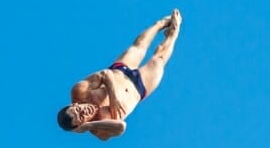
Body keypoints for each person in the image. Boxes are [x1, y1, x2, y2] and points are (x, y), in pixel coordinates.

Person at [57, 9, 182, 140]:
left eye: (78, 110)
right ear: (81, 124)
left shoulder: (79, 92)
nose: (84, 111)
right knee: (159, 60)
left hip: (120, 71)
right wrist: (89, 126)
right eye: (82, 117)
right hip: (139, 88)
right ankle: (173, 33)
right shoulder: (99, 130)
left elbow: (105, 74)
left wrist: (113, 97)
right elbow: (121, 126)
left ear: (75, 105)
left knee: (139, 45)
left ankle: (160, 23)